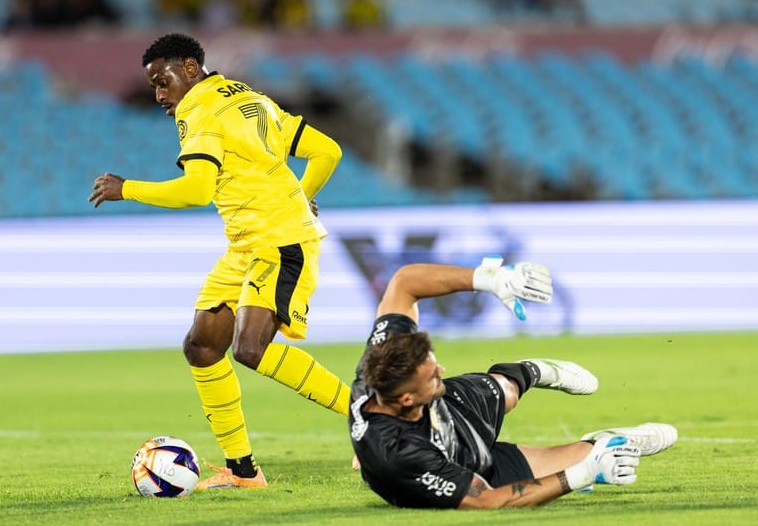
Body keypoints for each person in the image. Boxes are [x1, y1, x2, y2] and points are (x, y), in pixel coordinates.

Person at [89, 32, 346, 490]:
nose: (159, 96)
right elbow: (328, 151)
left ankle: (374, 416)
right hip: (247, 244)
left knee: (250, 349)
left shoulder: (198, 109)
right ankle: (244, 472)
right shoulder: (250, 97)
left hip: (280, 241)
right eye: (153, 87)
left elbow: (197, 190)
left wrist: (126, 188)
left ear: (190, 68)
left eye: (162, 81)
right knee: (203, 345)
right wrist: (300, 196)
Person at [349, 256, 678, 509]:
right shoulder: (400, 456)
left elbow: (404, 282)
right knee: (585, 459)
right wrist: (584, 474)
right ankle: (602, 445)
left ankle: (535, 371)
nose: (442, 371)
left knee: (506, 389)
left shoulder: (385, 360)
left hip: (450, 410)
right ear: (406, 399)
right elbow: (486, 501)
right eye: (433, 375)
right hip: (462, 465)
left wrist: (487, 278)